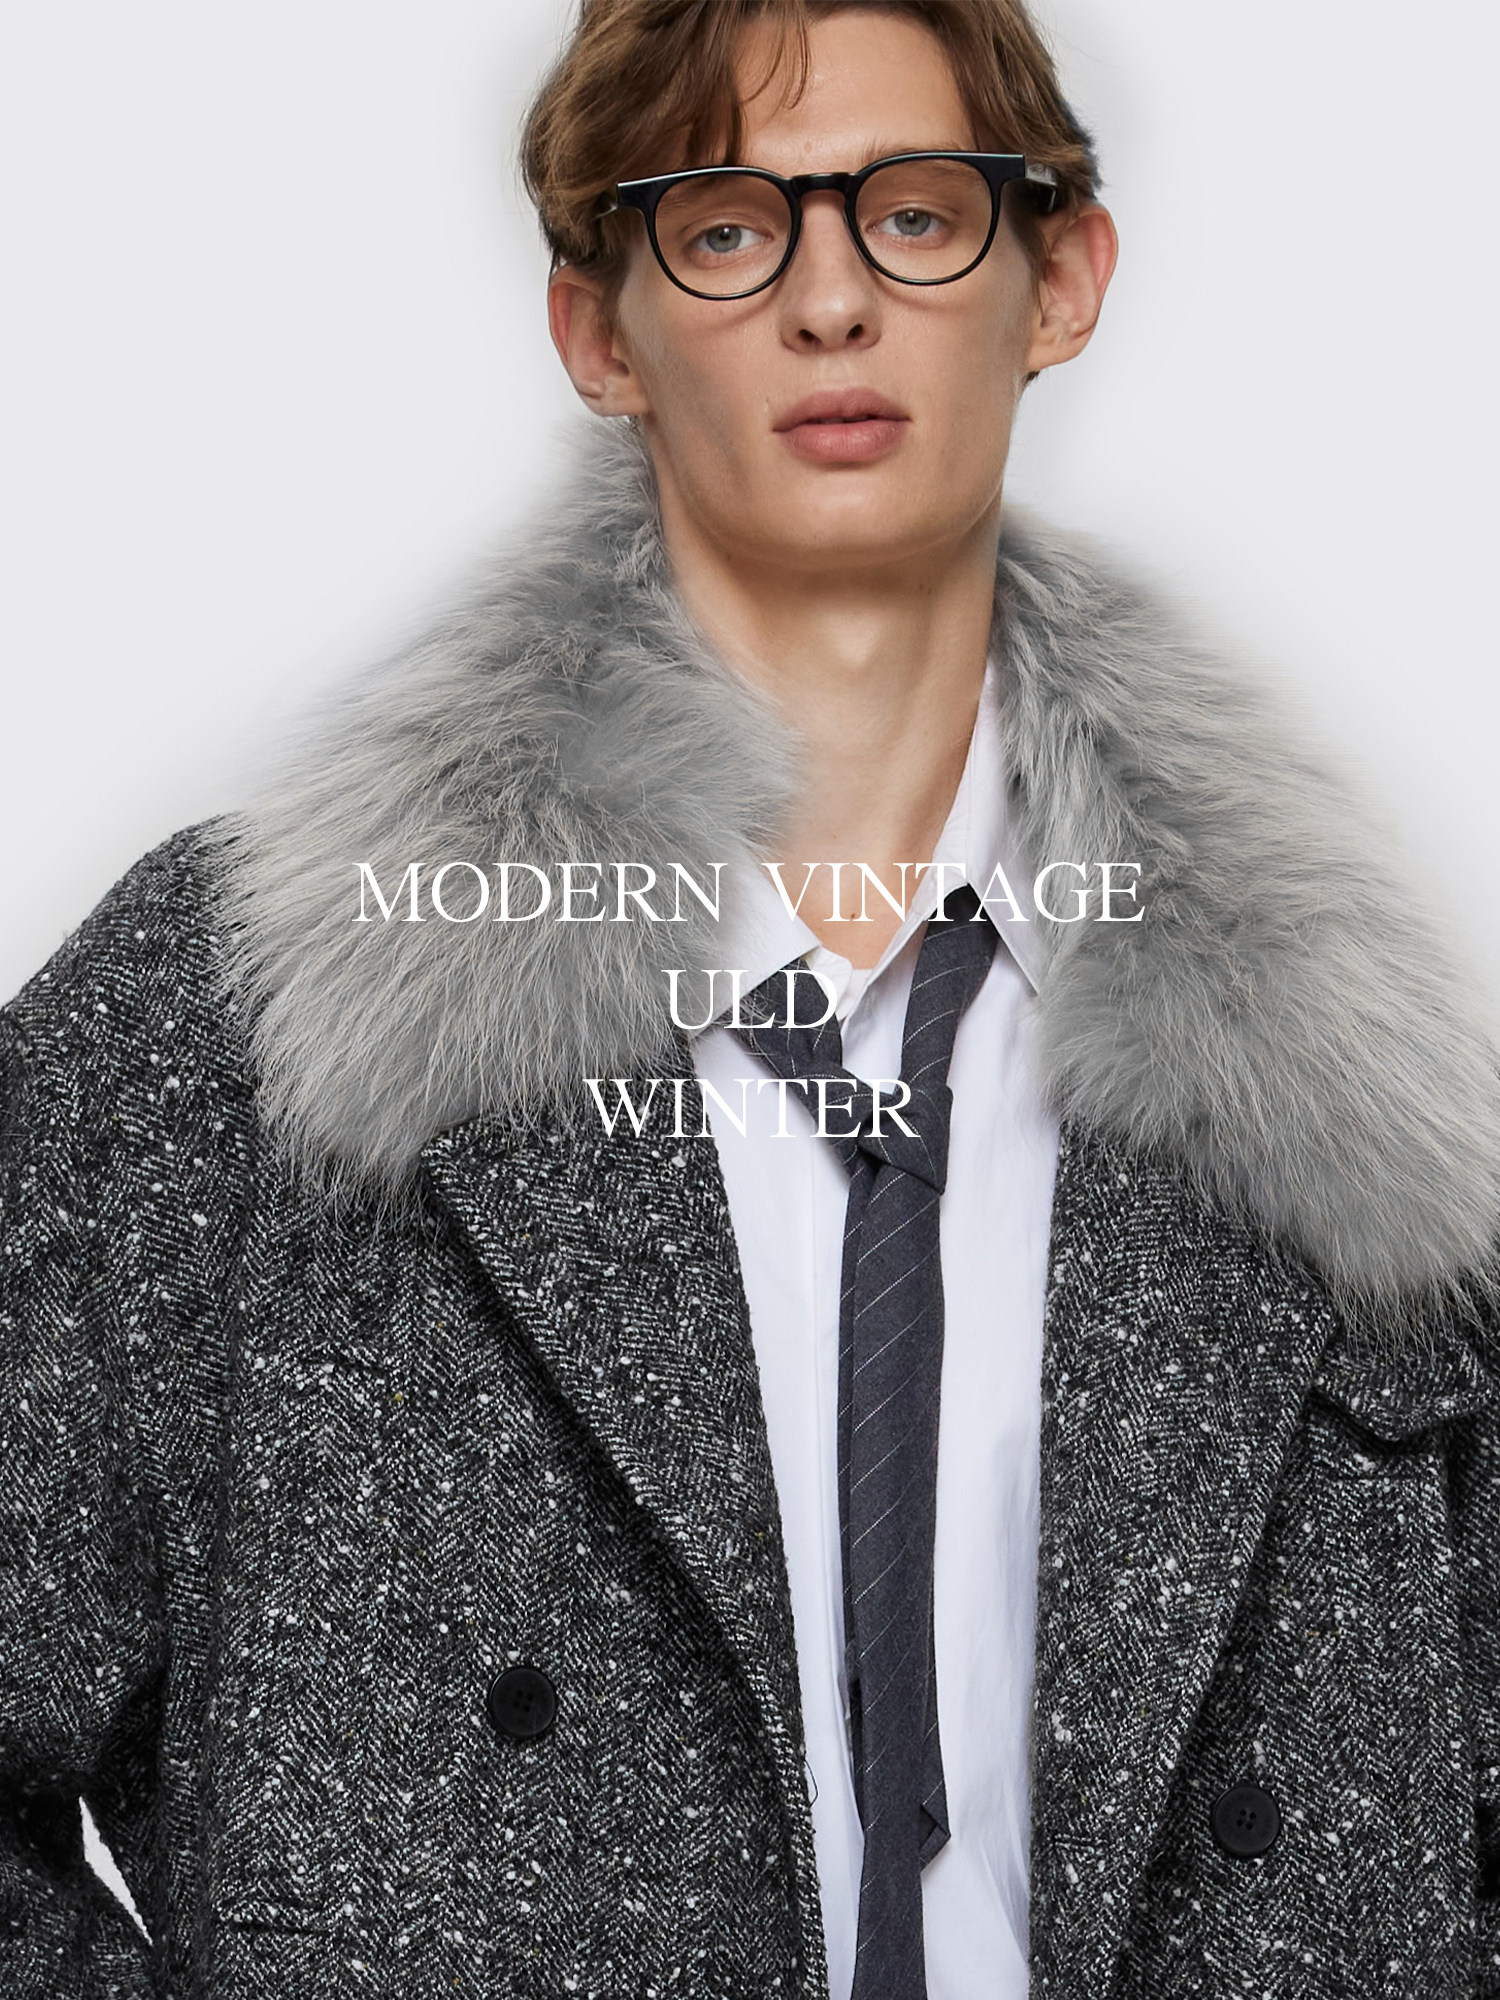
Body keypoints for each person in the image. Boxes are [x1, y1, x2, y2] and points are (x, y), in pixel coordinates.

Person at [2, 1, 1498, 1995]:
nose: (831, 300)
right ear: (598, 333)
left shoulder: (1368, 1112)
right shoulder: (231, 1019)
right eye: (726, 227)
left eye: (917, 214)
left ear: (1062, 280)